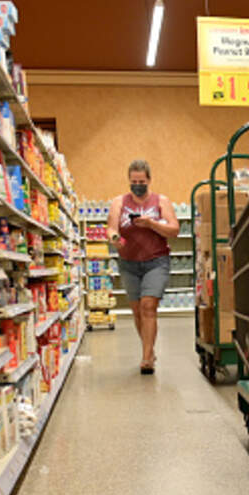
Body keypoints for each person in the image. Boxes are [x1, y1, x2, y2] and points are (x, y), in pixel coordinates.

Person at [107, 160, 180, 374]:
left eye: (141, 181)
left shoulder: (161, 201)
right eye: (134, 181)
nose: (137, 185)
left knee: (148, 305)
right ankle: (149, 349)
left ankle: (146, 358)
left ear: (149, 180)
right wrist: (115, 238)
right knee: (137, 310)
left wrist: (151, 223)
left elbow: (174, 230)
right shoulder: (119, 202)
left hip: (156, 261)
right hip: (128, 263)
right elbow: (111, 228)